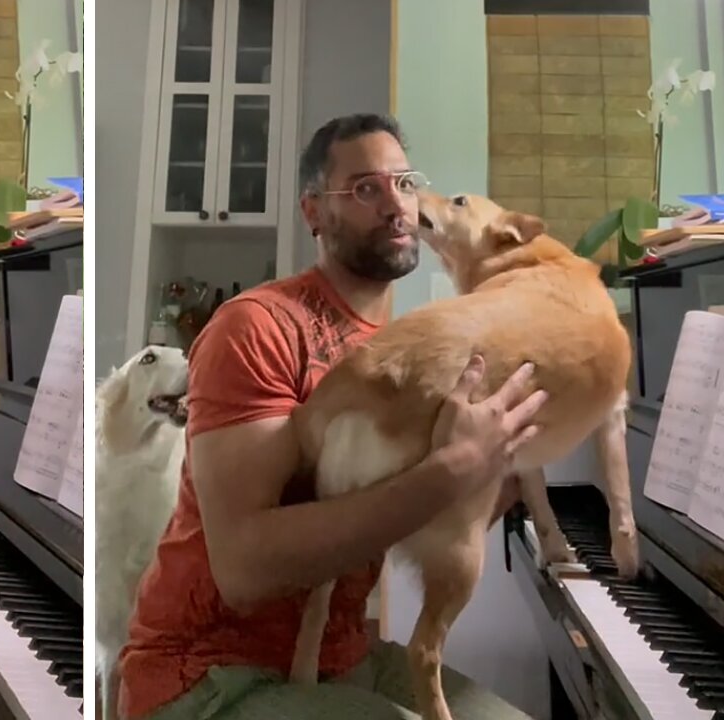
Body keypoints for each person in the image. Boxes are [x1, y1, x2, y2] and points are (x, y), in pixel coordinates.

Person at [116, 113, 546, 720]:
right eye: (365, 188)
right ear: (314, 211)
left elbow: (415, 513)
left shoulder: (410, 349)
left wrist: (489, 476)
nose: (397, 206)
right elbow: (243, 567)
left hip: (338, 658)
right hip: (210, 674)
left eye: (403, 183)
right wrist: (447, 474)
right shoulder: (257, 326)